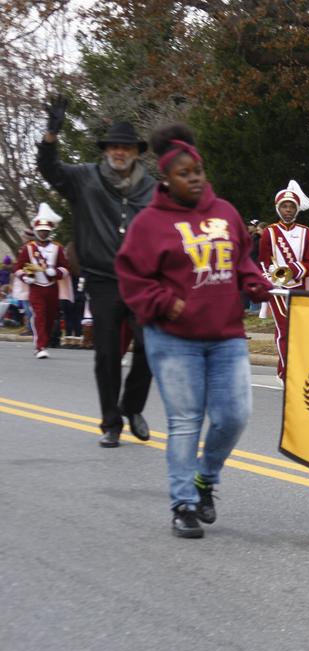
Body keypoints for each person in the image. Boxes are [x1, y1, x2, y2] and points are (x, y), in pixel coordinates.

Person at [116, 122, 272, 539]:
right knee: (186, 420)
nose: (194, 178)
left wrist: (253, 280)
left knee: (235, 415)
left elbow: (242, 257)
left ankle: (206, 478)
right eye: (184, 173)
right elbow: (132, 278)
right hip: (174, 339)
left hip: (225, 334)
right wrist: (166, 302)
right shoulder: (149, 223)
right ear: (166, 179)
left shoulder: (225, 212)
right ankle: (183, 502)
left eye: (198, 170)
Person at [37, 94, 155, 447]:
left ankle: (131, 407)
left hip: (140, 280)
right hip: (102, 280)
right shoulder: (84, 178)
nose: (120, 152)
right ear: (107, 150)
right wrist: (51, 135)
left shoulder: (150, 189)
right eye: (114, 146)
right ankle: (111, 424)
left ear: (136, 151)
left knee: (152, 345)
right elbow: (49, 171)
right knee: (105, 353)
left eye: (127, 147)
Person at [258, 180, 309, 381]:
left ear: (296, 209)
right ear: (278, 208)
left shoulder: (306, 232)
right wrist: (270, 279)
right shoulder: (269, 232)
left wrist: (291, 270)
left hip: (300, 286)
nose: (287, 210)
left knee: (298, 329)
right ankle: (286, 373)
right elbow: (262, 261)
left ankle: (287, 367)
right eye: (284, 206)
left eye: (291, 206)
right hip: (276, 288)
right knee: (284, 328)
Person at [11, 203, 73, 358]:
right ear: (36, 231)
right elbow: (17, 268)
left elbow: (66, 269)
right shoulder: (28, 249)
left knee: (50, 317)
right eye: (40, 231)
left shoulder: (57, 248)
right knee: (39, 315)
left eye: (46, 231)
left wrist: (56, 271)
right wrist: (25, 277)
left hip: (52, 287)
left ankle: (43, 342)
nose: (43, 233)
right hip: (35, 287)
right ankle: (40, 347)